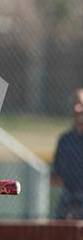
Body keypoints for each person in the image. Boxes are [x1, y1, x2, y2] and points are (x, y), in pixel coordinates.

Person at [52, 88, 83, 219]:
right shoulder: (65, 140)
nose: (77, 109)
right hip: (69, 198)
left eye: (81, 104)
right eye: (74, 104)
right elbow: (57, 175)